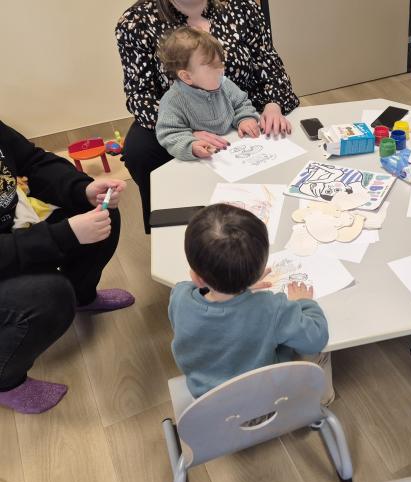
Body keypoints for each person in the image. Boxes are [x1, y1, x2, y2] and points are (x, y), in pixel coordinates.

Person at [116, 0, 299, 232]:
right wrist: (187, 131)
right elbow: (139, 96)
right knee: (139, 151)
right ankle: (171, 227)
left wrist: (271, 106)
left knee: (278, 140)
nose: (220, 69)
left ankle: (270, 209)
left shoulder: (243, 7)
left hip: (239, 107)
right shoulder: (136, 21)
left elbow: (270, 67)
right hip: (178, 115)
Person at [0, 121, 134, 414]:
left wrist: (83, 189)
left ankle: (82, 296)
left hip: (12, 232)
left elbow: (32, 162)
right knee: (49, 295)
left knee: (101, 215)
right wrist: (61, 236)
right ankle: (6, 379)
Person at [168, 204, 334, 404]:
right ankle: (322, 399)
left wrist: (234, 284)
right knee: (320, 351)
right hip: (267, 399)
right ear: (260, 270)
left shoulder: (179, 297)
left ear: (196, 278)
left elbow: (211, 311)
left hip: (208, 402)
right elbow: (316, 338)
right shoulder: (271, 309)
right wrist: (304, 302)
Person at [156, 27, 260, 161]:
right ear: (187, 76)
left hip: (236, 146)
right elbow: (170, 135)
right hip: (204, 160)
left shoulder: (224, 84)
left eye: (221, 63)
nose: (222, 69)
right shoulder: (173, 101)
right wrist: (191, 146)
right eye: (213, 66)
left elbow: (241, 104)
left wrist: (245, 118)